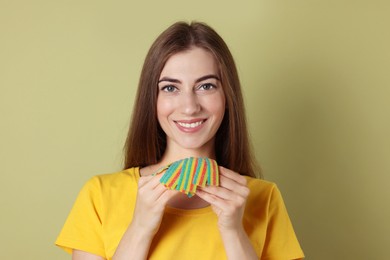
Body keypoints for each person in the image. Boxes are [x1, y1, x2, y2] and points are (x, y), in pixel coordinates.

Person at [55, 21, 304, 260]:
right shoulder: (100, 195)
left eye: (206, 86)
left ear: (227, 95)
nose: (189, 107)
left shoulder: (263, 198)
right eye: (170, 88)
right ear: (151, 99)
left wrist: (233, 232)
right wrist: (140, 228)